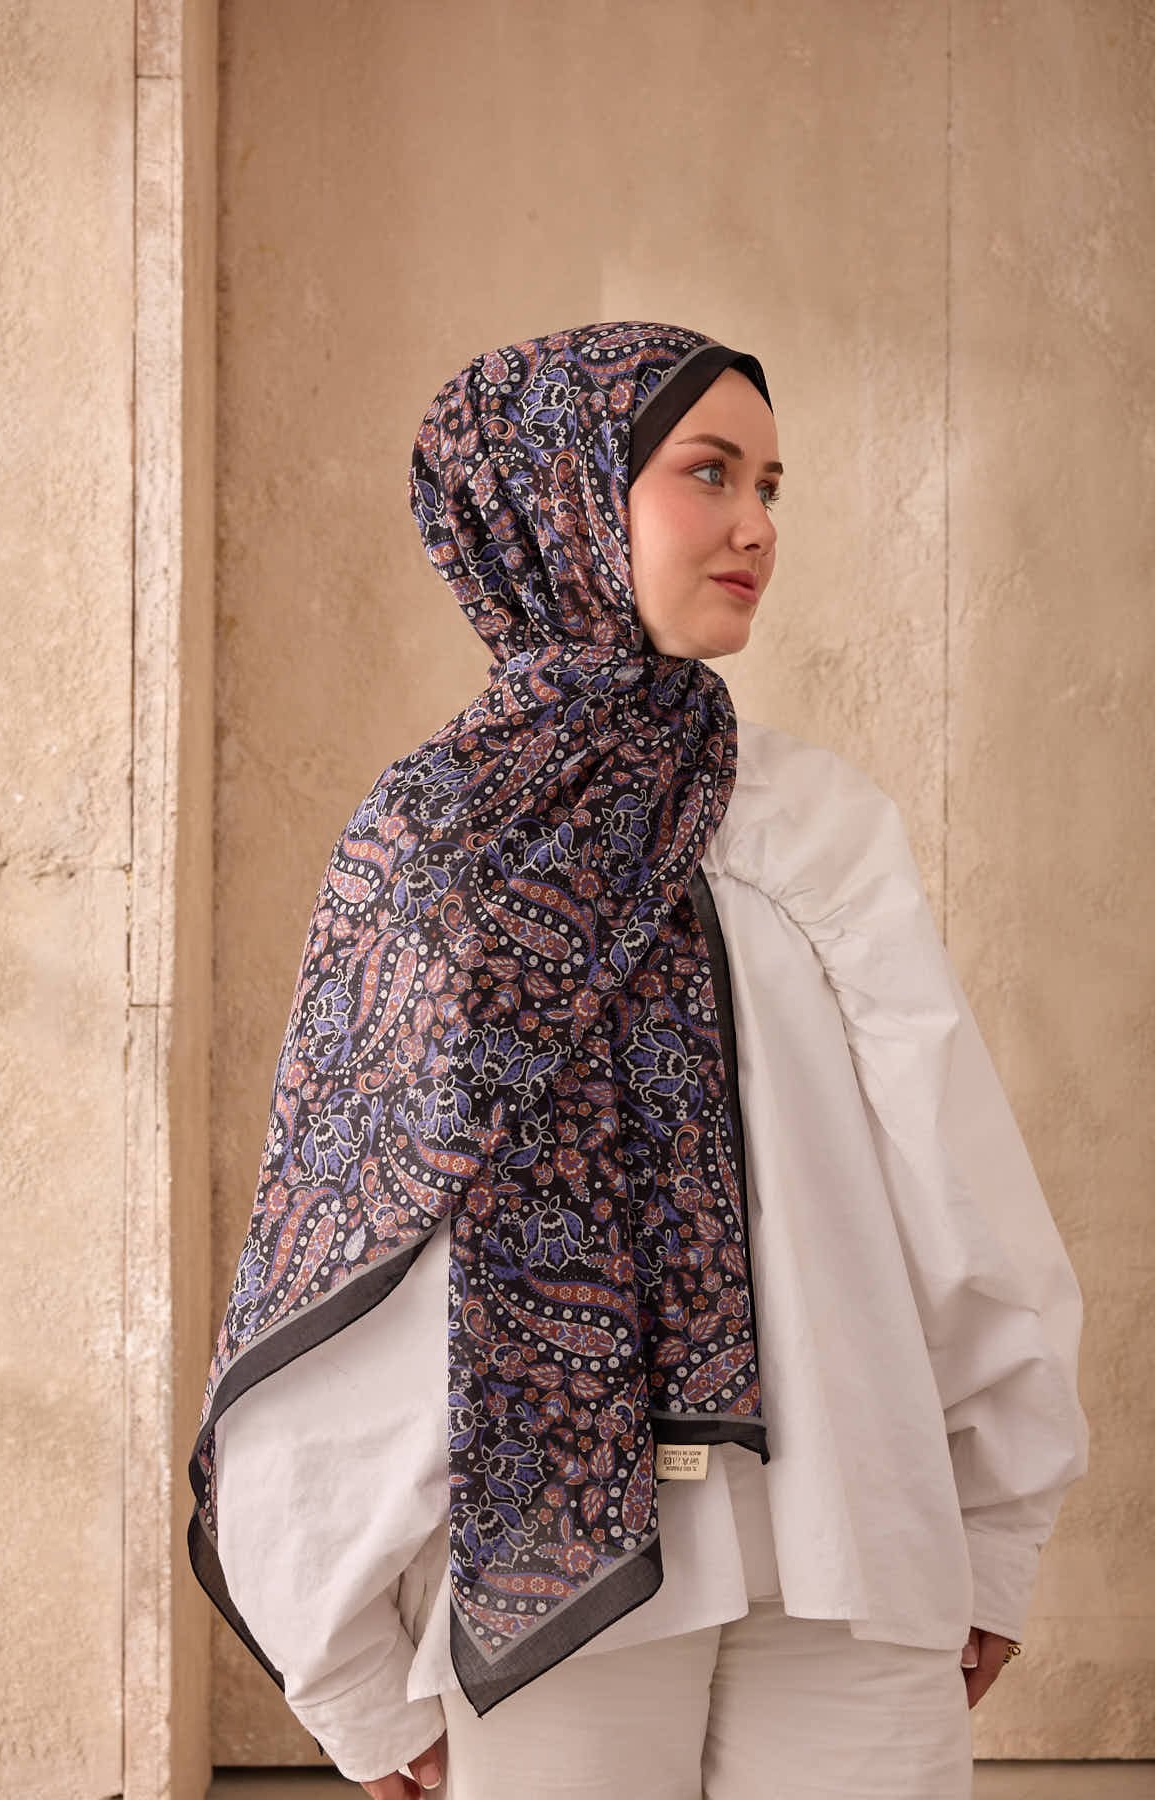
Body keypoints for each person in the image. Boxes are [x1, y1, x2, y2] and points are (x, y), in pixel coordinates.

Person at [188, 322, 1088, 1799]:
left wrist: (996, 1525)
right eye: (709, 473)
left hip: (848, 1537)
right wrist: (340, 1660)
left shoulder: (814, 824)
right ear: (560, 494)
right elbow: (344, 1242)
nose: (758, 526)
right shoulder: (432, 843)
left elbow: (953, 1181)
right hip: (545, 1572)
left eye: (771, 486)